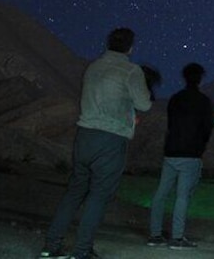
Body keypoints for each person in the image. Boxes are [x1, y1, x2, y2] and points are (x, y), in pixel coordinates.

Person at [40, 28, 153, 259]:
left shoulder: (93, 67)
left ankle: (51, 246)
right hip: (110, 139)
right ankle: (82, 251)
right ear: (131, 47)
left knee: (75, 190)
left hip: (84, 135)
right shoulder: (131, 70)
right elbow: (144, 105)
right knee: (99, 195)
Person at [147, 62, 214, 250]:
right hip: (191, 154)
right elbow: (207, 128)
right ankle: (177, 238)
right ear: (200, 78)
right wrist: (201, 147)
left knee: (161, 193)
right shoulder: (203, 101)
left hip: (171, 151)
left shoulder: (175, 98)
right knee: (182, 196)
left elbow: (171, 123)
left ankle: (155, 234)